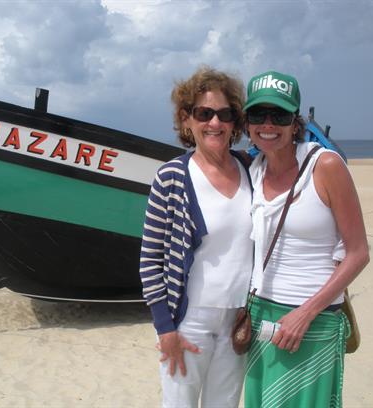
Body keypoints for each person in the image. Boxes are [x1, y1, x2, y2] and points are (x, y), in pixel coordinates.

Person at [242, 70, 370, 407]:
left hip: (312, 320)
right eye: (258, 114)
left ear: (295, 122)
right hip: (262, 318)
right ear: (247, 122)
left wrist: (306, 312)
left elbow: (358, 253)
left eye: (280, 115)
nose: (268, 124)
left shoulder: (325, 166)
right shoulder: (253, 170)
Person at [139, 65, 254, 408]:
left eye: (225, 114)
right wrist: (165, 328)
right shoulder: (172, 177)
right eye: (204, 113)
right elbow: (150, 259)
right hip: (189, 321)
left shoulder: (250, 168)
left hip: (238, 320)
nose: (215, 123)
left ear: (235, 122)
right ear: (187, 119)